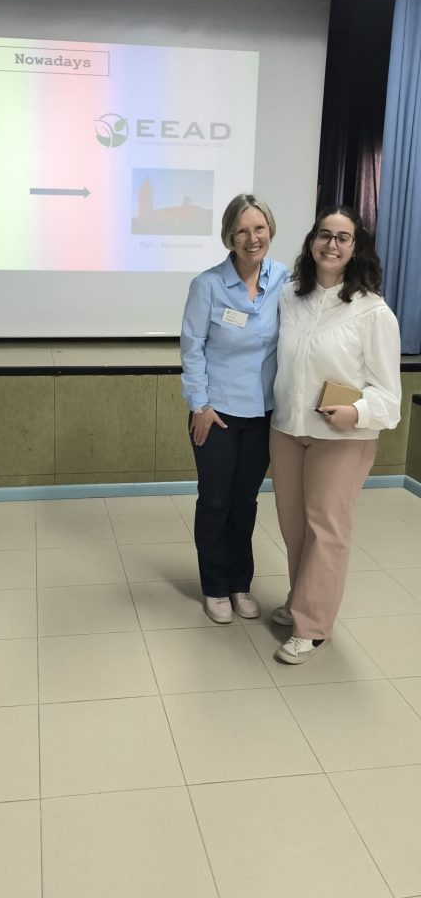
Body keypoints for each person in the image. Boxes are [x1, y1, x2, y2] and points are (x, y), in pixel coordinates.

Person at [270, 205, 401, 664]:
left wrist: (357, 411)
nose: (331, 244)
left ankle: (312, 626)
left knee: (326, 529)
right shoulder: (291, 297)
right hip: (288, 431)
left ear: (356, 247)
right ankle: (302, 599)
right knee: (294, 526)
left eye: (342, 237)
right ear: (312, 242)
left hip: (342, 438)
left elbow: (390, 397)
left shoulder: (373, 312)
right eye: (324, 235)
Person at [180, 193, 289, 624]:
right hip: (217, 414)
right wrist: (200, 406)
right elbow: (192, 349)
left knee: (245, 503)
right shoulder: (207, 285)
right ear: (229, 236)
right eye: (241, 231)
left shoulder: (285, 279)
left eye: (259, 228)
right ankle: (214, 585)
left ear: (270, 230)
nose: (251, 238)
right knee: (215, 501)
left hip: (264, 415)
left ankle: (240, 583)